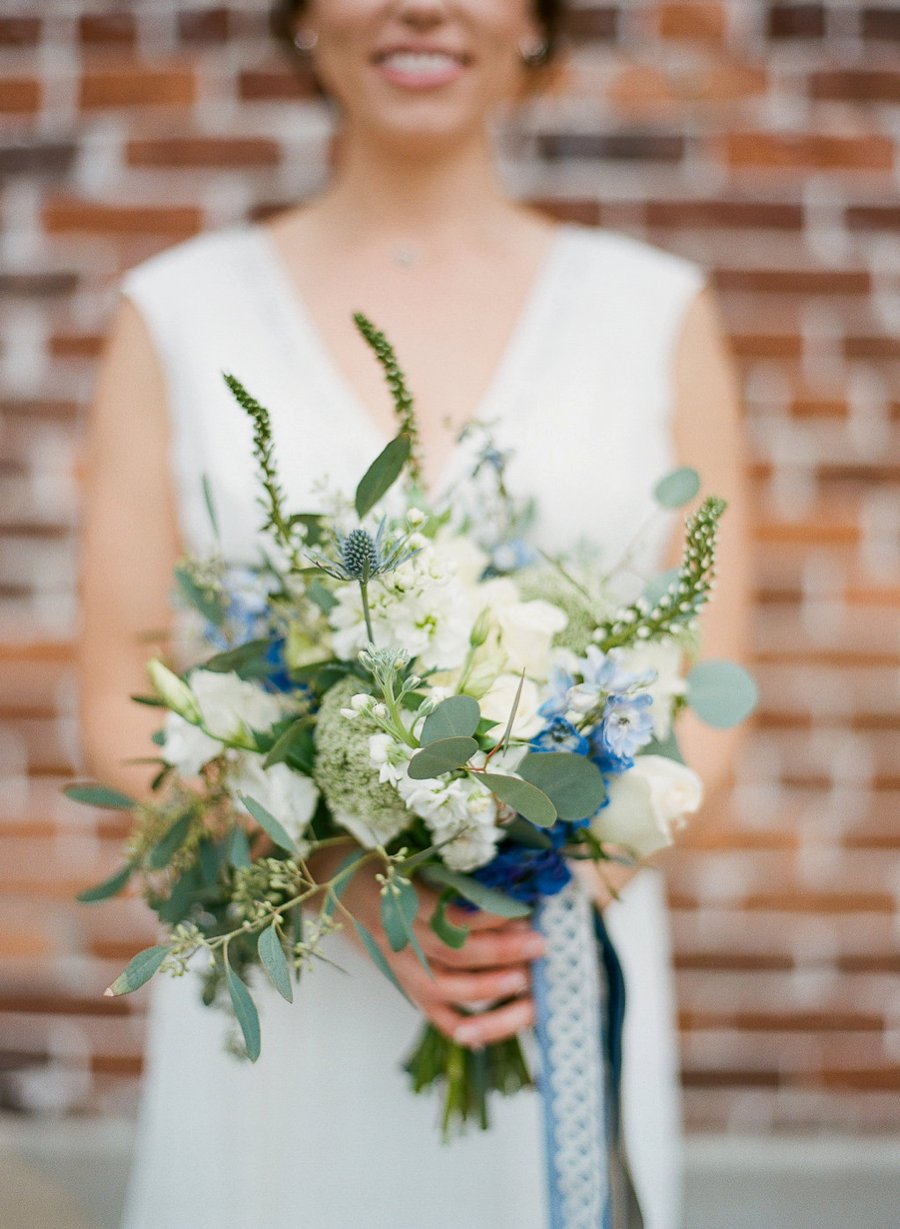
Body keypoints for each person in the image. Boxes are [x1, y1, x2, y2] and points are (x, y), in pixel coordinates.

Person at [79, 1, 750, 1226]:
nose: (422, 4)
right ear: (300, 23)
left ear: (538, 25)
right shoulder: (175, 315)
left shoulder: (656, 313)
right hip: (288, 992)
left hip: (551, 968)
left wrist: (528, 891)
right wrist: (342, 882)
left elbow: (714, 674)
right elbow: (116, 677)